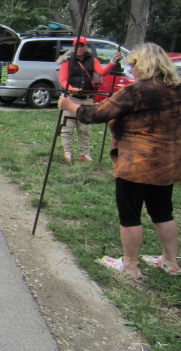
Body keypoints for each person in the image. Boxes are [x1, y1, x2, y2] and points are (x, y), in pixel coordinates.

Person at [58, 43, 181, 278]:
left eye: (133, 64)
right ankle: (170, 261)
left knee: (130, 215)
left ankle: (130, 265)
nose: (130, 69)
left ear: (145, 64)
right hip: (168, 163)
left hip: (136, 163)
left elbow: (96, 114)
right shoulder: (176, 89)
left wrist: (70, 105)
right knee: (163, 211)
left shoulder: (136, 91)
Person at [57, 36, 121, 162]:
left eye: (82, 45)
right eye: (77, 46)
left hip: (86, 98)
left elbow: (102, 72)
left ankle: (84, 153)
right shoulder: (67, 61)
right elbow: (63, 80)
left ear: (86, 47)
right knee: (68, 127)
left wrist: (113, 62)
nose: (79, 48)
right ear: (73, 47)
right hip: (71, 98)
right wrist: (71, 89)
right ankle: (67, 151)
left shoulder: (92, 60)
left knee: (84, 128)